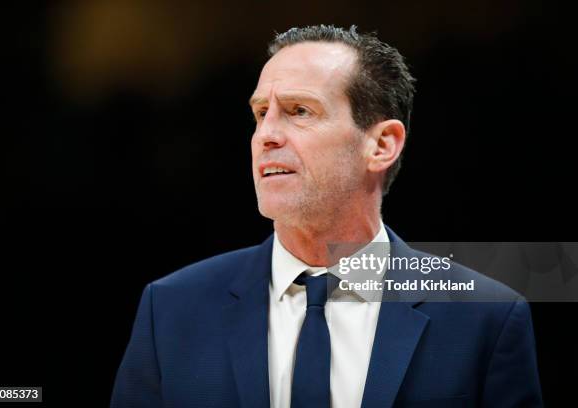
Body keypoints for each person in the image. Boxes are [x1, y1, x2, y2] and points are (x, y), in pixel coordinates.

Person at [111, 25, 543, 408]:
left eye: (300, 111)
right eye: (261, 113)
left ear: (382, 145)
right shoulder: (171, 308)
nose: (266, 135)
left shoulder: (486, 316)